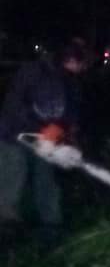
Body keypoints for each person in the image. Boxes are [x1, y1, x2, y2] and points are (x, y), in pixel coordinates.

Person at [0, 39, 89, 237]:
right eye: (79, 63)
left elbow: (71, 110)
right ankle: (7, 223)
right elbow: (15, 106)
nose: (81, 69)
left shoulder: (71, 79)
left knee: (46, 178)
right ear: (69, 59)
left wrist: (69, 134)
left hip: (48, 139)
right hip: (14, 135)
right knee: (13, 177)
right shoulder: (32, 72)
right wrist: (42, 128)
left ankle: (51, 222)